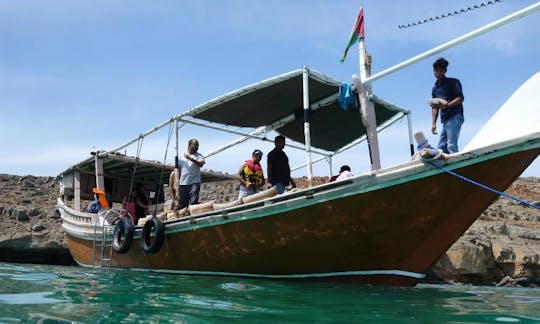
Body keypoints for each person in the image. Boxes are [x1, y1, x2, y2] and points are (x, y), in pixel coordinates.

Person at [430, 57, 465, 154]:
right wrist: (433, 124)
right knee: (441, 147)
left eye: (441, 71)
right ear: (434, 71)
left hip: (455, 116)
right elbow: (435, 106)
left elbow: (460, 98)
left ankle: (457, 167)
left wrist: (448, 105)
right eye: (436, 71)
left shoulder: (454, 82)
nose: (438, 73)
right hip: (445, 120)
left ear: (445, 71)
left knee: (451, 145)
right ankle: (444, 168)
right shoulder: (435, 89)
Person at [179, 139, 205, 209]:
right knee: (182, 204)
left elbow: (200, 164)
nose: (197, 147)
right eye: (195, 145)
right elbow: (177, 169)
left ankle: (194, 217)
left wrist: (191, 159)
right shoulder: (181, 156)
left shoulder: (199, 156)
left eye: (197, 145)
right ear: (189, 145)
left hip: (194, 182)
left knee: (193, 202)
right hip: (183, 183)